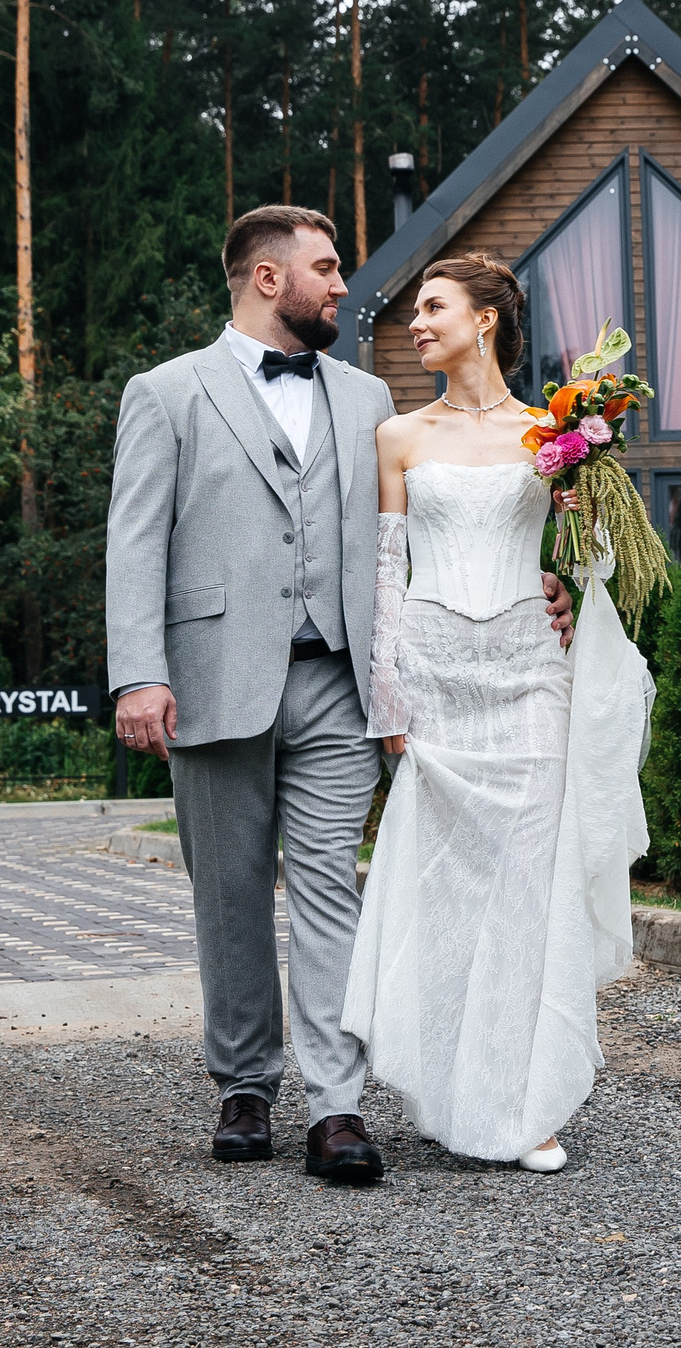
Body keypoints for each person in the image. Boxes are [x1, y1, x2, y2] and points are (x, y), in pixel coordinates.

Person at [104, 208, 573, 1186]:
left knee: (328, 882)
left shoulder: (367, 401)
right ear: (269, 279)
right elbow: (135, 538)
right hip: (211, 680)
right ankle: (244, 1084)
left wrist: (539, 578)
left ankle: (335, 1103)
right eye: (325, 268)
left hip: (338, 679)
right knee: (228, 890)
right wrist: (138, 671)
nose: (342, 286)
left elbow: (428, 522)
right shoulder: (165, 393)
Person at [342, 253, 652, 1173]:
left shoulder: (556, 434)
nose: (415, 324)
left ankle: (529, 1101)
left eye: (433, 308)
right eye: (414, 311)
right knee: (444, 886)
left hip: (527, 673)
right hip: (435, 678)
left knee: (529, 887)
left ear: (486, 321)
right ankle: (445, 1084)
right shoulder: (397, 437)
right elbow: (386, 576)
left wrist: (568, 573)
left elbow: (588, 552)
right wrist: (386, 693)